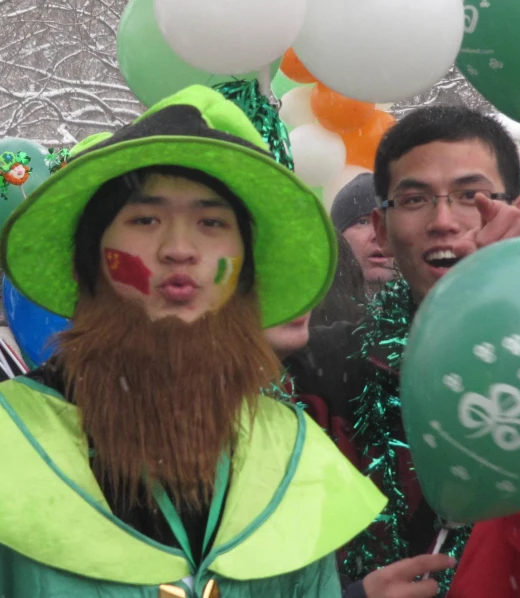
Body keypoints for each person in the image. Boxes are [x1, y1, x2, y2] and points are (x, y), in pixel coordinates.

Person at [0, 85, 386, 598]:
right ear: (89, 259)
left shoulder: (288, 456)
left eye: (211, 222)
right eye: (144, 219)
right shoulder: (13, 443)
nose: (179, 249)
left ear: (248, 271)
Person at [287, 104, 520, 597]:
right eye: (414, 198)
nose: (443, 220)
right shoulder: (318, 370)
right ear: (382, 229)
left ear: (519, 213)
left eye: (471, 196)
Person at [330, 173, 396, 295]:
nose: (378, 235)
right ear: (338, 239)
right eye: (363, 222)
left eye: (388, 221)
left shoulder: (434, 308)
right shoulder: (312, 310)